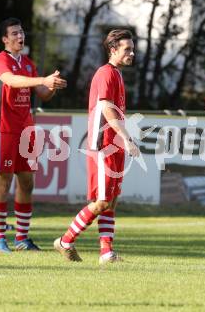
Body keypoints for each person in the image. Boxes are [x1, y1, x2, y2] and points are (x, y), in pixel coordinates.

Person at [54, 29, 140, 265]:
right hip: (103, 145)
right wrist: (126, 137)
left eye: (132, 49)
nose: (132, 53)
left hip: (114, 145)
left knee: (111, 201)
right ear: (113, 50)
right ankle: (65, 240)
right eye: (127, 49)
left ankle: (106, 253)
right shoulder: (106, 73)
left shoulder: (117, 74)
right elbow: (106, 108)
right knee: (102, 201)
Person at [0, 17, 67, 253]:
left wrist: (52, 85)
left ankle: (22, 239)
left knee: (27, 181)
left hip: (27, 130)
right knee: (4, 181)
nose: (19, 36)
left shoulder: (28, 63)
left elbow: (42, 94)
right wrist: (42, 79)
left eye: (21, 32)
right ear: (4, 39)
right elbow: (11, 82)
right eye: (14, 33)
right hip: (5, 128)